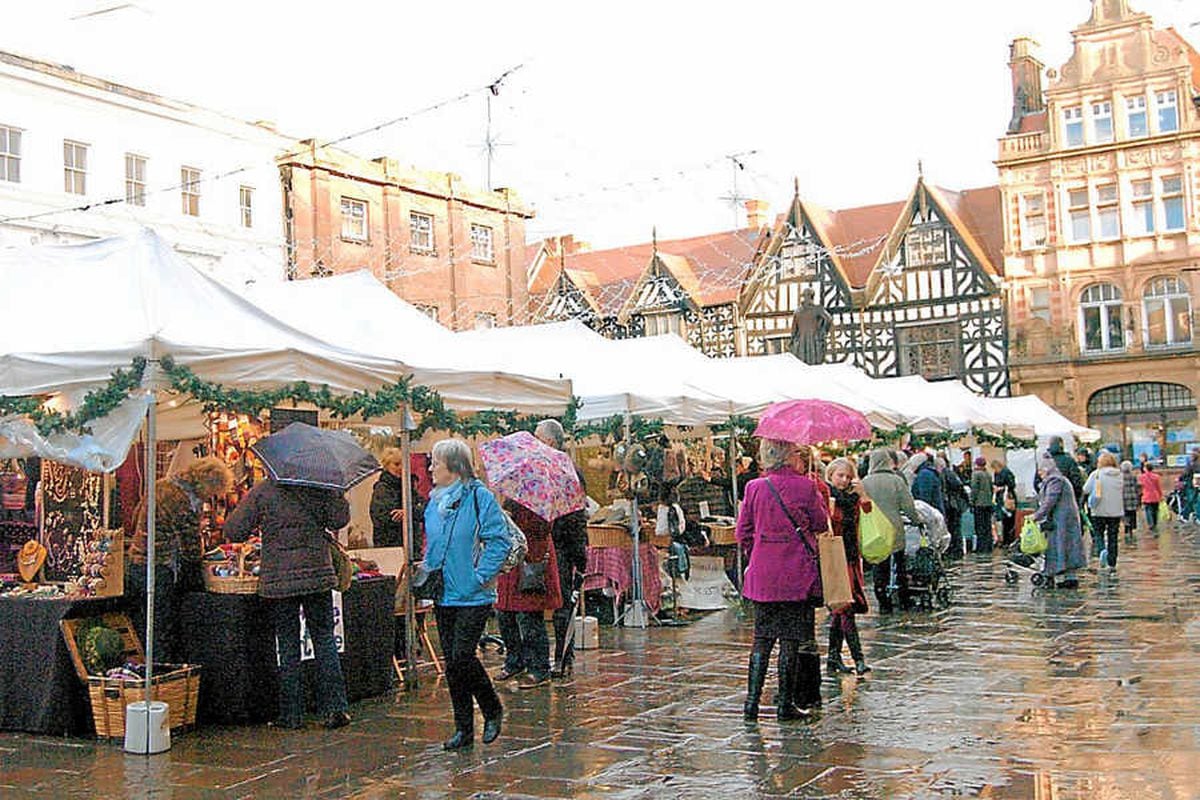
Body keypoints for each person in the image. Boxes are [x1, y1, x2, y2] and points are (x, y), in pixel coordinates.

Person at [223, 476, 352, 730]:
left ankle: (291, 714)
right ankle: (335, 708)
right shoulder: (320, 485)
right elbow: (340, 519)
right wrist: (337, 493)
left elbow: (233, 530)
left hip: (280, 578)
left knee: (288, 644)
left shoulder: (264, 490)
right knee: (325, 639)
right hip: (317, 574)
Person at [422, 438, 511, 750]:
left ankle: (491, 708)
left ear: (454, 466)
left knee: (462, 656)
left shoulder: (479, 497)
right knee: (453, 663)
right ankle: (463, 728)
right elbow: (432, 544)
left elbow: (499, 541)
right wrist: (426, 572)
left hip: (473, 594)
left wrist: (480, 575)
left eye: (436, 462)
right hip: (443, 593)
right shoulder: (433, 502)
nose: (430, 467)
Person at [735, 440, 828, 721]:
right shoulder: (806, 486)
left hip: (763, 575)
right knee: (789, 640)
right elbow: (821, 523)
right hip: (796, 575)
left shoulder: (753, 488)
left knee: (761, 639)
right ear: (790, 456)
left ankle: (751, 703)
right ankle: (785, 704)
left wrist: (761, 552)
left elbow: (743, 532)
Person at [127, 456, 233, 664]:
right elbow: (190, 547)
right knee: (160, 629)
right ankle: (162, 674)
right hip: (159, 567)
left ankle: (146, 670)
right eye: (212, 493)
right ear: (206, 485)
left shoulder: (161, 485)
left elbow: (135, 517)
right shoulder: (182, 500)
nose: (210, 498)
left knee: (145, 625)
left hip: (138, 563)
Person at [533, 419, 589, 679]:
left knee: (562, 606)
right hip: (543, 546)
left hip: (562, 548)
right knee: (537, 604)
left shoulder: (569, 473)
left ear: (550, 442)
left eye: (538, 438)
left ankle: (562, 658)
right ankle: (539, 660)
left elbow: (577, 517)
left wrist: (580, 556)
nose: (535, 443)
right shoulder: (538, 472)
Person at [495, 499, 562, 688]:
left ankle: (539, 668)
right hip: (509, 564)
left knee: (529, 618)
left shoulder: (541, 500)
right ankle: (514, 660)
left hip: (531, 562)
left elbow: (542, 528)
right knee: (504, 615)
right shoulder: (511, 498)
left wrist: (514, 520)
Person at [824, 458, 871, 675]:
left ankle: (833, 657)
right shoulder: (827, 496)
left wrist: (862, 494)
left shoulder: (853, 499)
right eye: (840, 475)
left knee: (841, 609)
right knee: (845, 608)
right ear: (831, 475)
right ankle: (858, 657)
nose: (844, 480)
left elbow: (869, 513)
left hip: (851, 557)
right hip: (834, 558)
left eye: (848, 476)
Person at [861, 448, 922, 613]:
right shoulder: (896, 481)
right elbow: (908, 505)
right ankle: (903, 596)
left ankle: (882, 600)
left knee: (879, 565)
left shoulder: (865, 482)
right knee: (899, 563)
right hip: (894, 527)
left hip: (875, 528)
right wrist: (917, 521)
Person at [1032, 455, 1086, 589]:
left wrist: (1037, 516)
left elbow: (1050, 501)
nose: (1039, 473)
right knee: (1065, 547)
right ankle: (1067, 577)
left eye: (1040, 470)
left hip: (1062, 520)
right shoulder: (1057, 479)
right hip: (1063, 519)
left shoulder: (1055, 480)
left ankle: (1059, 575)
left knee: (1060, 546)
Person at [1083, 451, 1124, 571]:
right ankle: (1112, 562)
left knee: (1098, 533)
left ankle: (1102, 550)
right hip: (1116, 510)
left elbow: (1085, 489)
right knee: (1113, 536)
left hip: (1098, 509)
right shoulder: (1119, 475)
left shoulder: (1096, 474)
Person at [938, 455, 967, 559]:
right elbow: (959, 486)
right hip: (952, 505)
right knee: (954, 527)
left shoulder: (946, 472)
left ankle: (955, 550)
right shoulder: (948, 472)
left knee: (953, 527)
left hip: (951, 505)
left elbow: (957, 485)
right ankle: (955, 549)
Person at [969, 457, 995, 553]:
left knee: (980, 526)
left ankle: (981, 547)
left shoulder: (976, 474)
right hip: (988, 503)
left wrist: (972, 501)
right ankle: (989, 546)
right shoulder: (988, 474)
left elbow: (974, 489)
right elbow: (992, 489)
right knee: (987, 525)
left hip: (979, 504)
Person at [991, 458, 1018, 547]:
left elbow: (1012, 484)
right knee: (1003, 520)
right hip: (1001, 499)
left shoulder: (1006, 472)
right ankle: (1005, 539)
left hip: (1007, 498)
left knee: (1009, 519)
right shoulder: (997, 473)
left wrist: (1001, 488)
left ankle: (1009, 540)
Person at [1139, 462, 1164, 533]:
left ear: (1145, 468)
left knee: (1148, 510)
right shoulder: (1156, 477)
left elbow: (1141, 487)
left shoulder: (1142, 477)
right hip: (1155, 496)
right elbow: (1158, 487)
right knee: (1155, 511)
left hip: (1146, 496)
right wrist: (1161, 495)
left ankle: (1150, 523)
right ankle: (1155, 523)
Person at [1120, 460, 1140, 543]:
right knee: (1132, 513)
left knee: (1125, 514)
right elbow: (1137, 487)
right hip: (1132, 497)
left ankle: (1126, 528)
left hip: (1124, 498)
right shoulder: (1133, 476)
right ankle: (1132, 528)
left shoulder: (1120, 476)